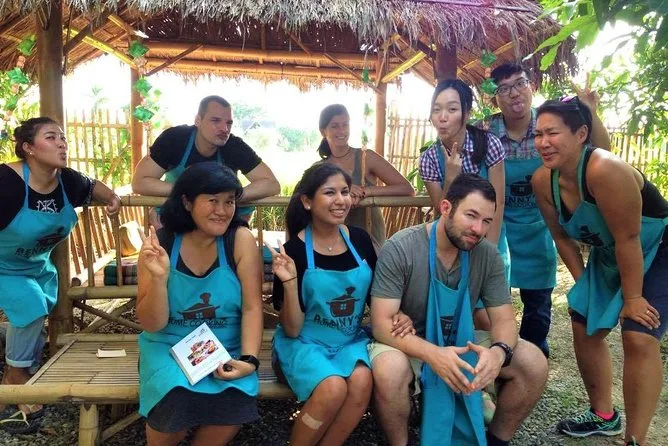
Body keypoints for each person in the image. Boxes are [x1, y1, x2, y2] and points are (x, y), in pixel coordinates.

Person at [369, 173, 548, 446]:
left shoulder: (487, 255)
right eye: (471, 216)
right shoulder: (402, 248)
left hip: (463, 341)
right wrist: (434, 354)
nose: (478, 229)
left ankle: (496, 440)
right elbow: (381, 324)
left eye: (486, 221)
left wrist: (499, 352)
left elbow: (504, 320)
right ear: (446, 208)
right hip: (409, 343)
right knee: (388, 369)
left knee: (533, 361)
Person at [532, 98, 667, 446]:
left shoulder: (604, 170)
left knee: (639, 333)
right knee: (583, 320)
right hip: (612, 253)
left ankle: (635, 440)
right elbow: (561, 237)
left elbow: (629, 238)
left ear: (581, 134)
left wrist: (633, 298)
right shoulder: (542, 181)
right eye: (538, 134)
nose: (543, 142)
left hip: (658, 247)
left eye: (552, 133)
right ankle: (604, 416)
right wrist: (584, 285)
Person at [269, 163, 413, 446]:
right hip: (303, 345)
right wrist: (290, 282)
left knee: (362, 381)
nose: (341, 200)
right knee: (333, 387)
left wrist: (399, 314)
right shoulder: (293, 251)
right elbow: (293, 330)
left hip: (348, 341)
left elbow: (377, 296)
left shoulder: (359, 240)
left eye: (345, 192)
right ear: (307, 201)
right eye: (329, 193)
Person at [481, 63, 611, 357]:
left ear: (532, 86)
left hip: (540, 227)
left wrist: (590, 111)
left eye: (520, 84)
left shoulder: (550, 123)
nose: (514, 93)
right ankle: (498, 359)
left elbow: (602, 152)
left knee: (538, 309)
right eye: (504, 89)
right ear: (494, 98)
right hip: (497, 228)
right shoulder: (485, 131)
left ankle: (534, 357)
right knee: (490, 303)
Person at [0, 117, 120, 434]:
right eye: (51, 137)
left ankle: (16, 371)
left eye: (63, 137)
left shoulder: (68, 181)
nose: (62, 143)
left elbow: (93, 186)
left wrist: (112, 198)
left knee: (36, 314)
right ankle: (16, 378)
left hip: (38, 266)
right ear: (29, 148)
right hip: (2, 267)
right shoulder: (6, 182)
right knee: (30, 305)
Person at [137, 162, 263, 446]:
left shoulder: (239, 239)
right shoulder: (162, 244)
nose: (222, 210)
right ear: (187, 202)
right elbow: (152, 324)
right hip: (168, 346)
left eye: (229, 201)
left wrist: (249, 360)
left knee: (232, 403)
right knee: (174, 397)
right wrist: (158, 279)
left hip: (225, 345)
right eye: (212, 200)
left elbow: (252, 307)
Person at [420, 79, 509, 332]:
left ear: (467, 113)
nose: (442, 117)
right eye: (436, 110)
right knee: (463, 313)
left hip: (489, 236)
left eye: (451, 109)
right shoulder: (429, 159)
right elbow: (443, 211)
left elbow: (498, 202)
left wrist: (490, 252)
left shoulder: (489, 145)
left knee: (493, 316)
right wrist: (450, 176)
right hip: (453, 245)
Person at [132, 95, 280, 224]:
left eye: (229, 123)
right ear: (198, 120)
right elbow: (139, 182)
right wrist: (190, 192)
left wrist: (230, 196)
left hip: (220, 223)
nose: (224, 129)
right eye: (215, 120)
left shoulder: (234, 146)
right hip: (177, 218)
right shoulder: (175, 139)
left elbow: (272, 184)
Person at [318, 104, 414, 251]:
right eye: (335, 126)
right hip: (334, 242)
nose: (341, 130)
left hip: (370, 238)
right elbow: (309, 200)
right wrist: (344, 192)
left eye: (345, 124)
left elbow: (407, 189)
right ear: (323, 131)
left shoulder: (366, 157)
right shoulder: (319, 168)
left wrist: (366, 191)